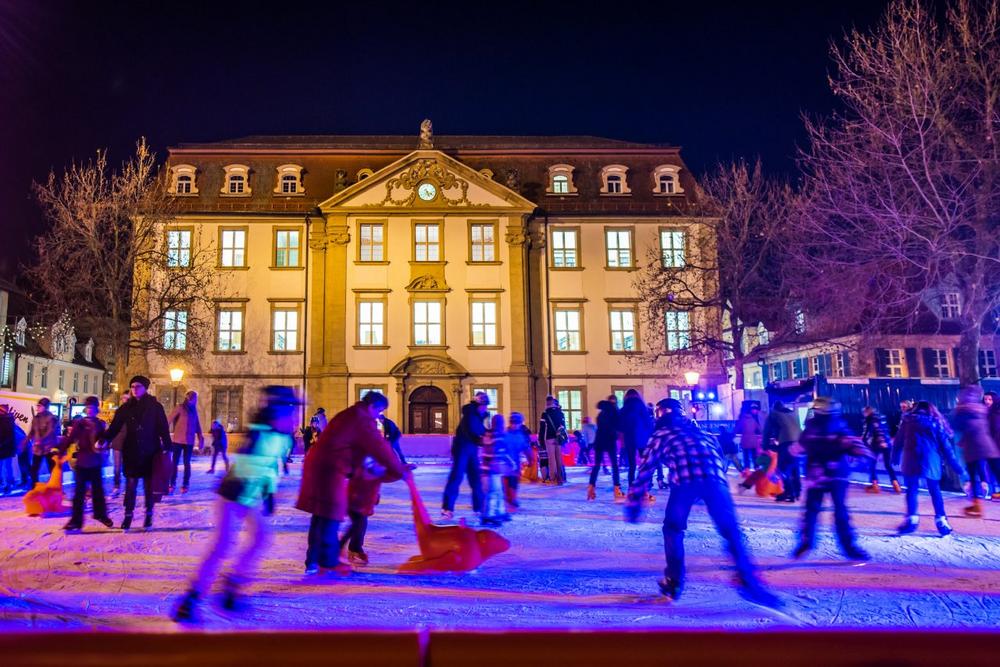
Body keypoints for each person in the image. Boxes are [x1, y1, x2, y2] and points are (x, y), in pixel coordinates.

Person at [624, 398, 780, 608]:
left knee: (673, 528)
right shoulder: (701, 432)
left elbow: (645, 470)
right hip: (716, 480)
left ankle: (674, 581)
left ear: (659, 416)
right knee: (730, 530)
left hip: (685, 482)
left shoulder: (661, 435)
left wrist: (634, 502)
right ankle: (747, 578)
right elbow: (720, 459)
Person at [172, 386, 302, 622]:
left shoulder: (282, 437)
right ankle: (191, 598)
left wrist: (269, 493)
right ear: (278, 410)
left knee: (261, 538)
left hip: (249, 498)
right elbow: (247, 468)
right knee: (223, 545)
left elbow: (272, 468)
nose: (294, 417)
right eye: (290, 410)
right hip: (232, 495)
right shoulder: (261, 433)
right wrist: (259, 494)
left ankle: (232, 586)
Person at [296, 391, 409, 575]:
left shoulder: (351, 414)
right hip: (329, 467)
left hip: (322, 464)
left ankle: (314, 561)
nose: (379, 415)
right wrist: (397, 469)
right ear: (372, 406)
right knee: (331, 513)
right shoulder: (361, 419)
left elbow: (356, 448)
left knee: (321, 514)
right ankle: (328, 561)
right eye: (379, 410)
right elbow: (378, 446)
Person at [789, 397, 872, 561]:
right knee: (840, 511)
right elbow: (852, 444)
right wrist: (864, 456)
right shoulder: (839, 426)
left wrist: (784, 465)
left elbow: (796, 449)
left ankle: (806, 542)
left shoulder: (811, 429)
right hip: (837, 476)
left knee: (812, 510)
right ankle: (849, 546)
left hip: (816, 475)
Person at [102, 375, 172, 531]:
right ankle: (128, 515)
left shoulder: (155, 407)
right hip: (131, 450)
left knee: (148, 486)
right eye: (132, 387)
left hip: (150, 451)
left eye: (138, 386)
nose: (134, 389)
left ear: (145, 388)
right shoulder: (125, 408)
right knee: (131, 485)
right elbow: (114, 427)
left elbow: (163, 428)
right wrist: (104, 439)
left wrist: (168, 445)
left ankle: (148, 514)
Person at [894, 400, 964, 536]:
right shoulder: (936, 422)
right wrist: (956, 466)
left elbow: (898, 440)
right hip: (931, 460)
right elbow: (946, 447)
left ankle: (912, 519)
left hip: (911, 459)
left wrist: (895, 454)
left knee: (912, 491)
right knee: (935, 491)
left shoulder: (907, 421)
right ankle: (941, 521)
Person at [61, 396, 113, 532]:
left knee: (98, 491)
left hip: (95, 462)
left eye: (93, 408)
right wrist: (59, 449)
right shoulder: (80, 423)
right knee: (79, 493)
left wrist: (103, 442)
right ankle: (76, 521)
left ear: (97, 409)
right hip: (82, 462)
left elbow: (106, 440)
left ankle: (100, 514)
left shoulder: (100, 424)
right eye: (88, 407)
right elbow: (70, 439)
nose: (90, 410)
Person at [951, 386, 1000, 518]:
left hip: (972, 446)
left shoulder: (961, 410)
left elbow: (957, 427)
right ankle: (977, 503)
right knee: (995, 470)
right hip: (987, 444)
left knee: (974, 474)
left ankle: (977, 504)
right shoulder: (981, 409)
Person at [441, 392, 490, 518]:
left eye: (486, 405)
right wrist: (484, 439)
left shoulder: (478, 416)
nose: (485, 408)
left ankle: (478, 508)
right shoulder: (471, 415)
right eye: (484, 405)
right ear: (478, 404)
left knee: (475, 478)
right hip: (462, 449)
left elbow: (481, 431)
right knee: (457, 477)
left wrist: (489, 435)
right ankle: (447, 508)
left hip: (471, 450)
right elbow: (473, 432)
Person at [763, 401, 803, 502]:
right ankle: (797, 491)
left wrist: (765, 446)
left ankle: (789, 492)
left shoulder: (773, 414)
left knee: (782, 469)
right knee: (794, 467)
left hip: (786, 442)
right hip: (798, 442)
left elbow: (767, 431)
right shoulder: (792, 413)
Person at [168, 390, 204, 494]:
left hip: (189, 441)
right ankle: (172, 483)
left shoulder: (194, 410)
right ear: (190, 398)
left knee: (187, 463)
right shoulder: (180, 408)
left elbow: (197, 425)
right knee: (174, 463)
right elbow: (169, 420)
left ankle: (185, 484)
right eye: (195, 398)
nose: (196, 400)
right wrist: (163, 434)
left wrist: (200, 437)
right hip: (178, 440)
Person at [481, 413, 514, 526]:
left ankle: (499, 511)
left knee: (498, 492)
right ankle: (489, 515)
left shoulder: (489, 434)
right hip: (492, 470)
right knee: (493, 493)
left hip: (490, 470)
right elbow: (499, 451)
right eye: (502, 423)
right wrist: (510, 462)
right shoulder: (497, 435)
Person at [588, 398, 623, 501]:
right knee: (614, 465)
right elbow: (618, 428)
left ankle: (591, 487)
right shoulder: (615, 413)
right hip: (610, 441)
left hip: (599, 441)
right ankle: (617, 488)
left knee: (597, 465)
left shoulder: (601, 414)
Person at [618, 389, 653, 487]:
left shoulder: (623, 409)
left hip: (629, 439)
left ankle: (631, 484)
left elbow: (619, 426)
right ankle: (646, 483)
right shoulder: (643, 408)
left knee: (632, 464)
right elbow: (649, 424)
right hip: (642, 438)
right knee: (644, 462)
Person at [862, 406, 900, 493]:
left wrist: (864, 443)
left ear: (867, 412)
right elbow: (887, 430)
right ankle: (896, 484)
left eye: (864, 413)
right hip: (887, 444)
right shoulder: (882, 418)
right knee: (888, 465)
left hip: (876, 444)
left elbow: (867, 433)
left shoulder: (869, 420)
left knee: (872, 464)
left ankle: (875, 486)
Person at [27, 398, 59, 486]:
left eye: (40, 406)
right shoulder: (36, 418)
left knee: (52, 468)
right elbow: (32, 431)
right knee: (34, 468)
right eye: (37, 406)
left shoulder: (51, 418)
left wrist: (41, 440)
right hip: (38, 448)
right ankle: (34, 486)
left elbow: (50, 432)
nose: (38, 408)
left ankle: (55, 486)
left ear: (45, 407)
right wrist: (25, 441)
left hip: (49, 448)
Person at [538, 395, 569, 485]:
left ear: (547, 403)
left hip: (549, 438)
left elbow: (542, 428)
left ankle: (553, 478)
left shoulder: (545, 414)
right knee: (559, 458)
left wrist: (541, 440)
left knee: (552, 459)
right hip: (559, 438)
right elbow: (564, 427)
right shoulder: (560, 413)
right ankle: (560, 478)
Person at [504, 412, 531, 509]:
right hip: (505, 464)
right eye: (513, 423)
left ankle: (512, 498)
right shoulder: (505, 434)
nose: (515, 425)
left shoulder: (520, 435)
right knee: (508, 482)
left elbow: (526, 448)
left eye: (517, 423)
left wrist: (530, 458)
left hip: (514, 464)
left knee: (513, 481)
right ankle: (509, 498)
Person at [109, 391, 131, 496]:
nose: (125, 400)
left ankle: (128, 488)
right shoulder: (119, 411)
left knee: (128, 466)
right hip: (118, 441)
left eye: (127, 398)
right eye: (123, 398)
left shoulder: (134, 411)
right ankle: (116, 486)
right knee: (117, 466)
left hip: (129, 442)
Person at [736, 400, 762, 471]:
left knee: (746, 456)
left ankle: (747, 470)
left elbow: (738, 428)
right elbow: (759, 429)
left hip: (745, 440)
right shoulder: (753, 420)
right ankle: (756, 468)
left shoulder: (743, 419)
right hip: (753, 440)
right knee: (754, 456)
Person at [0, 405, 16, 495]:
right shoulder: (8, 420)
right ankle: (7, 484)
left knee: (6, 467)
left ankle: (8, 485)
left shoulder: (6, 420)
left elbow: (6, 436)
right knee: (7, 467)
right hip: (7, 448)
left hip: (5, 448)